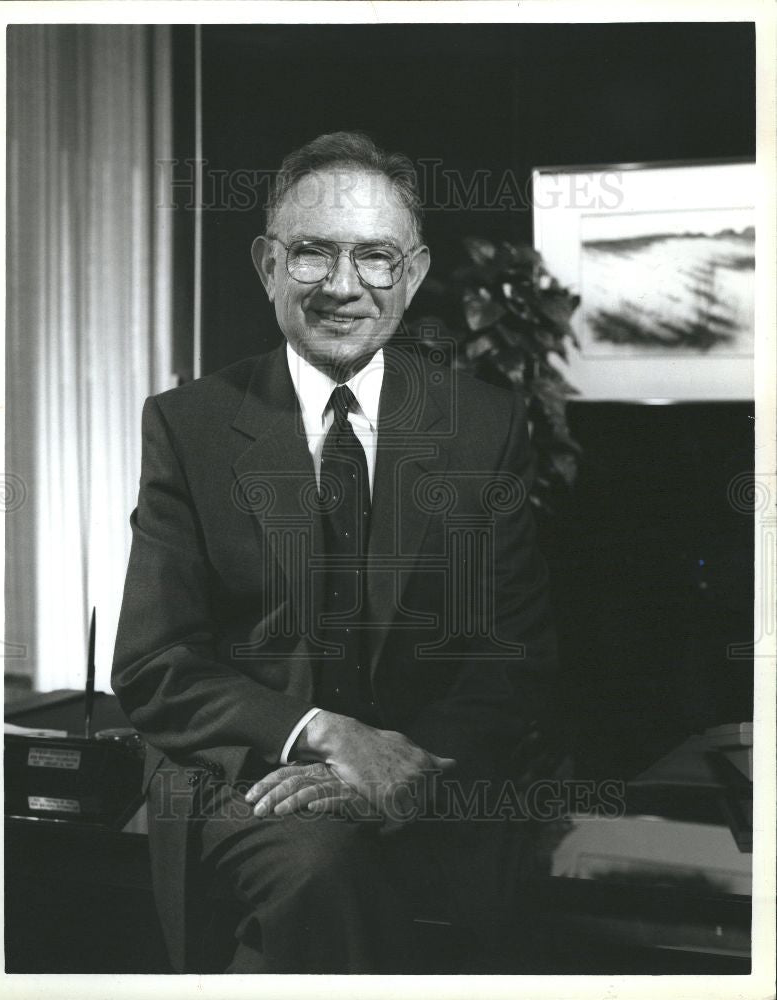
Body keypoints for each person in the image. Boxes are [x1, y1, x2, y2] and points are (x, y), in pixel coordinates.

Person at [112, 131, 559, 974]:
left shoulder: (483, 423)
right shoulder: (192, 426)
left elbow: (513, 653)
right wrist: (321, 734)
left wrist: (408, 763)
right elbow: (154, 663)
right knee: (321, 868)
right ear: (267, 265)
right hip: (251, 774)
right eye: (313, 254)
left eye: (376, 258)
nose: (344, 287)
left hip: (433, 768)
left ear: (415, 272)